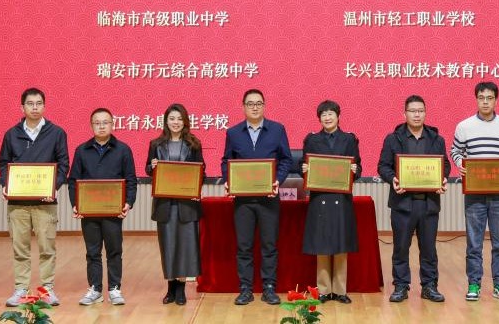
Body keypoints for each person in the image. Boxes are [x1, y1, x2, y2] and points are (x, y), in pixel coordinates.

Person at [0, 87, 70, 307]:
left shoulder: (56, 133)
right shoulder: (11, 134)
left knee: (47, 248)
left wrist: (54, 187)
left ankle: (46, 289)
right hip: (18, 203)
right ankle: (21, 288)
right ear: (22, 107)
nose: (35, 107)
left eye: (39, 103)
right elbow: (3, 163)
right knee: (20, 248)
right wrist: (6, 184)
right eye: (30, 104)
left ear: (44, 106)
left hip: (45, 202)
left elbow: (63, 164)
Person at [449, 81, 499, 302]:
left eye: (490, 98)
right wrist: (460, 163)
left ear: (496, 100)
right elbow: (455, 150)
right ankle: (474, 283)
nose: (485, 102)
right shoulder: (464, 126)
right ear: (476, 99)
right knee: (474, 243)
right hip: (474, 194)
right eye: (481, 98)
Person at [221, 88, 293, 306]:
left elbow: (286, 160)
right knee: (244, 246)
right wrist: (228, 179)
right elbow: (226, 161)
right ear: (243, 107)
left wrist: (277, 180)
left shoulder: (277, 130)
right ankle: (245, 289)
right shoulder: (233, 132)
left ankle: (269, 287)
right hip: (243, 200)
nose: (254, 107)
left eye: (258, 103)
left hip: (269, 198)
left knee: (269, 245)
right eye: (250, 104)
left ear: (264, 106)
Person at [377, 95, 451, 303]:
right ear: (405, 114)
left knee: (429, 248)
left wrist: (443, 178)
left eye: (420, 111)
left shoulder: (437, 139)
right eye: (412, 111)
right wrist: (392, 179)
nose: (417, 114)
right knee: (401, 247)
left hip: (429, 204)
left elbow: (444, 164)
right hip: (403, 203)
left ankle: (429, 286)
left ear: (425, 113)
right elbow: (383, 166)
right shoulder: (393, 139)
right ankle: (401, 286)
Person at [69, 107, 138, 306]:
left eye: (105, 122)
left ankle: (114, 288)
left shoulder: (123, 150)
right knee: (92, 252)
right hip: (89, 211)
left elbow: (131, 180)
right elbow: (73, 180)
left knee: (114, 250)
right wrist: (76, 204)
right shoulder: (82, 150)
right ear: (91, 126)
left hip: (112, 211)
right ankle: (95, 289)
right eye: (97, 123)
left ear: (112, 124)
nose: (101, 126)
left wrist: (128, 202)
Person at [301, 100, 362, 304]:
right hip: (320, 199)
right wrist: (304, 170)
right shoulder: (312, 139)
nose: (327, 118)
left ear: (338, 116)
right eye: (323, 115)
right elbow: (304, 164)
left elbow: (358, 167)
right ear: (319, 118)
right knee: (322, 245)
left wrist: (355, 171)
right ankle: (324, 290)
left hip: (341, 198)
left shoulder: (349, 139)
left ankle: (340, 290)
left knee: (341, 244)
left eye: (330, 114)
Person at [146, 103, 204, 306]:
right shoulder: (155, 144)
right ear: (166, 121)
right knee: (168, 245)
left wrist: (195, 186)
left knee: (186, 246)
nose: (176, 122)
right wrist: (152, 166)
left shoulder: (194, 144)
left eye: (179, 118)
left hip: (187, 204)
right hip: (165, 204)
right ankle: (170, 288)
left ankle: (181, 289)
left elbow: (201, 171)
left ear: (185, 121)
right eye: (172, 118)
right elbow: (147, 169)